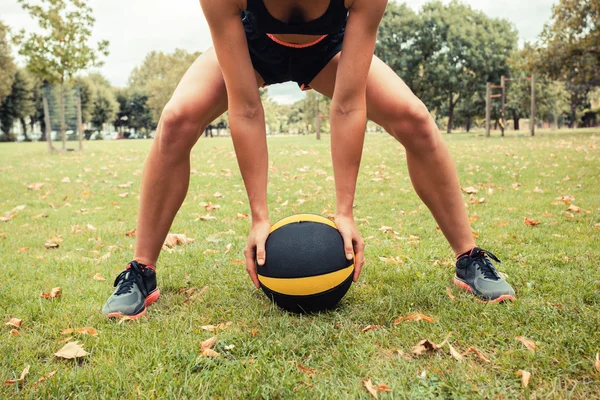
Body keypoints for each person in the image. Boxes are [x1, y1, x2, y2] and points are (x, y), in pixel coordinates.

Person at [102, 0, 516, 319]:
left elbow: (349, 104)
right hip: (250, 47)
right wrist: (259, 217)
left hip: (329, 52)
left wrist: (344, 211)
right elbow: (244, 108)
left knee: (416, 120)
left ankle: (468, 258)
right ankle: (141, 270)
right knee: (175, 121)